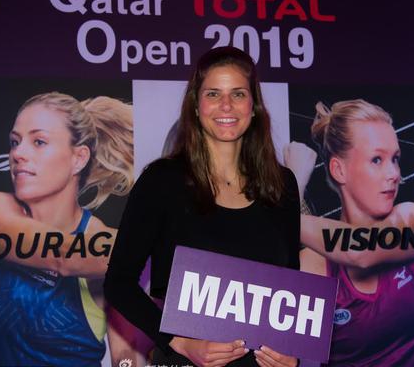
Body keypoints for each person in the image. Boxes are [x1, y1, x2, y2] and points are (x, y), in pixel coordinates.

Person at [104, 47, 300, 367]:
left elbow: (292, 289)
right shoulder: (161, 182)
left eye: (238, 93)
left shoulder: (282, 184)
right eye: (213, 93)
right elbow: (118, 283)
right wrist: (181, 343)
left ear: (254, 106)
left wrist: (292, 355)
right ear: (196, 106)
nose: (226, 105)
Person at [0, 92, 138, 366]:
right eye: (15, 142)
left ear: (78, 158)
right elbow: (64, 256)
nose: (17, 154)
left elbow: (126, 357)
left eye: (39, 142)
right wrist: (157, 245)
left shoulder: (101, 239)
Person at [285, 99, 414, 366]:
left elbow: (360, 251)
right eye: (377, 159)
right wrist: (292, 185)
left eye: (395, 159)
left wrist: (289, 194)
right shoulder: (313, 264)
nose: (393, 173)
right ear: (339, 170)